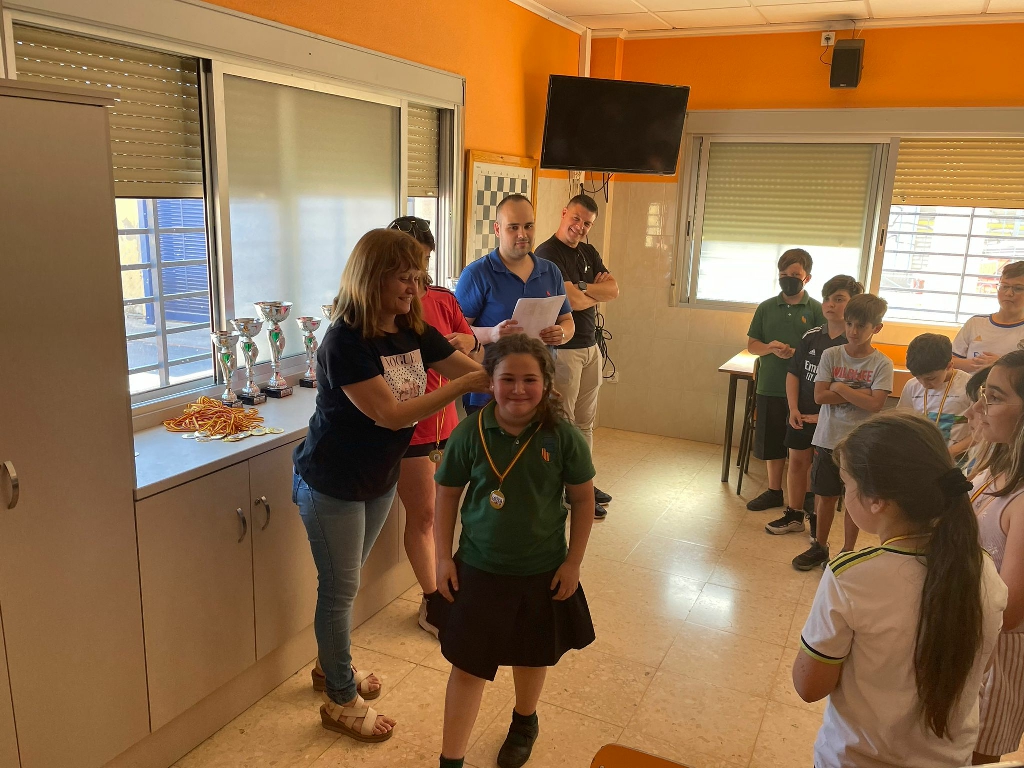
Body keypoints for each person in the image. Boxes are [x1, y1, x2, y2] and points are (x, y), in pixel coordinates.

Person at [292, 229, 488, 743]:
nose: (414, 287)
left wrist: (516, 380)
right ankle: (340, 699)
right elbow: (391, 414)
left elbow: (468, 370)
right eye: (404, 277)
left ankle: (328, 666)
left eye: (418, 276)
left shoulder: (410, 328)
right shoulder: (344, 342)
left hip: (377, 478)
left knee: (345, 581)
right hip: (332, 483)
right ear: (372, 278)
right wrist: (463, 386)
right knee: (340, 589)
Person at [793, 411, 1006, 768]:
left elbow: (809, 687)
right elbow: (982, 668)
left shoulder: (851, 577)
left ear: (877, 500)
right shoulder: (984, 569)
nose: (846, 493)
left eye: (847, 485)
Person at [429, 335, 596, 768]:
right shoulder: (470, 432)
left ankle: (524, 721)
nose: (518, 389)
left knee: (531, 654)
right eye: (507, 379)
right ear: (490, 381)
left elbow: (583, 500)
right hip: (478, 568)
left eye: (529, 379)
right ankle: (451, 759)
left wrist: (573, 562)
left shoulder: (563, 436)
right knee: (467, 666)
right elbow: (446, 495)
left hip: (541, 569)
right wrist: (442, 557)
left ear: (547, 384)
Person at [387, 216, 484, 638]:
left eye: (422, 263)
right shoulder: (385, 312)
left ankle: (445, 589)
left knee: (446, 511)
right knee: (424, 514)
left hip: (448, 425)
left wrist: (472, 344)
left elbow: (473, 355)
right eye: (406, 268)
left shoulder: (443, 299)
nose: (416, 278)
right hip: (409, 428)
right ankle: (432, 600)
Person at [792, 294, 893, 571]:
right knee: (825, 497)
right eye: (849, 324)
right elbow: (820, 396)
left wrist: (839, 387)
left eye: (861, 326)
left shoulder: (881, 363)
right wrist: (860, 394)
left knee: (854, 500)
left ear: (876, 328)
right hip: (827, 439)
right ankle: (819, 546)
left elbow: (876, 404)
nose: (853, 331)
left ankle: (847, 551)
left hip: (860, 444)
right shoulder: (831, 355)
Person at [534, 194, 619, 518]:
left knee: (585, 424)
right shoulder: (547, 254)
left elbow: (613, 290)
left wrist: (583, 290)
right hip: (564, 350)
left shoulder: (588, 251)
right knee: (564, 425)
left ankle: (583, 483)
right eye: (577, 219)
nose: (580, 227)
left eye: (587, 224)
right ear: (564, 213)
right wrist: (590, 293)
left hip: (590, 347)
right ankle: (568, 491)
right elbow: (570, 300)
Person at [964, 350, 1024, 765]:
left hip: (996, 655)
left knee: (971, 753)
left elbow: (1011, 609)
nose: (978, 409)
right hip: (968, 639)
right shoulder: (993, 467)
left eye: (995, 398)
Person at [768, 275, 863, 536]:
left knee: (825, 474)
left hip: (833, 421)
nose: (830, 304)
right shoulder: (811, 336)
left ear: (854, 305)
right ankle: (794, 514)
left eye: (839, 299)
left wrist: (823, 416)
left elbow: (853, 391)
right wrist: (793, 409)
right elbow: (794, 373)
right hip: (801, 414)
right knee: (797, 463)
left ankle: (818, 525)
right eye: (827, 299)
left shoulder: (853, 344)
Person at [745, 249, 826, 513]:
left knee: (804, 445)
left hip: (805, 390)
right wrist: (770, 347)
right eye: (783, 274)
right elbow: (753, 345)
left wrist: (796, 353)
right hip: (770, 384)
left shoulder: (816, 309)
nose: (788, 279)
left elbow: (824, 348)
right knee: (772, 441)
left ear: (807, 278)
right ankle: (773, 491)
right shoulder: (766, 307)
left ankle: (807, 493)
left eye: (794, 274)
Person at [897, 333, 973, 458]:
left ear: (949, 365)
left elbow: (981, 431)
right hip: (922, 456)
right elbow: (903, 423)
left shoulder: (969, 385)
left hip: (958, 458)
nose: (924, 384)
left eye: (931, 378)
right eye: (918, 377)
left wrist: (951, 452)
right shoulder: (912, 385)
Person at [953, 261, 1024, 373]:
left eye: (1018, 288)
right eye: (1004, 286)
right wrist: (980, 364)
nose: (1009, 293)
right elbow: (951, 362)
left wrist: (1000, 365)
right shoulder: (975, 323)